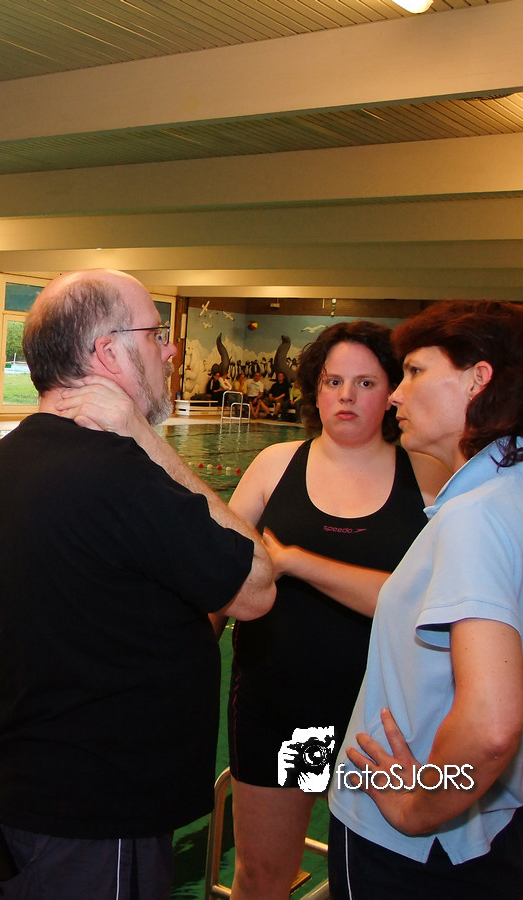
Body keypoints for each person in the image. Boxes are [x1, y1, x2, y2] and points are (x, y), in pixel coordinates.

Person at [0, 269, 275, 900]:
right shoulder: (127, 476)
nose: (171, 350)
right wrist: (148, 441)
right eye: (156, 334)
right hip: (99, 824)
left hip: (5, 804)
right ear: (108, 352)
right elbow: (256, 587)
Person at [327, 301, 523, 899]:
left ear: (478, 379)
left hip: (415, 853)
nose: (396, 394)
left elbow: (491, 727)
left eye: (415, 371)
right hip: (497, 828)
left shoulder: (476, 519)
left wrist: (418, 807)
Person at [223, 321, 447, 899]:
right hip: (285, 711)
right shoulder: (276, 465)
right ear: (315, 390)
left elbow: (425, 603)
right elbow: (219, 575)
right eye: (333, 381)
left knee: (376, 881)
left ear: (392, 393)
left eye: (365, 383)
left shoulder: (425, 479)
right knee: (264, 875)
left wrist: (295, 562)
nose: (346, 396)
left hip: (379, 720)